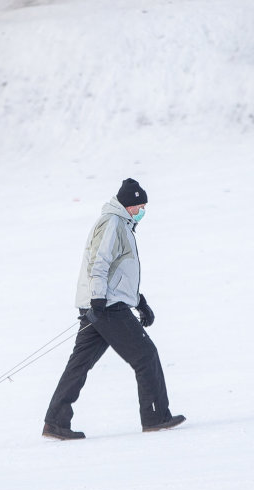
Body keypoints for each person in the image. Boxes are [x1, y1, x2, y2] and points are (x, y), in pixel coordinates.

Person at [43, 178, 185, 440]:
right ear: (128, 204)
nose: (143, 210)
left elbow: (120, 273)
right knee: (146, 356)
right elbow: (99, 262)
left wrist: (139, 301)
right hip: (107, 306)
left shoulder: (122, 224)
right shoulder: (113, 223)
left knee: (79, 364)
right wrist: (98, 300)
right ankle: (156, 417)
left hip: (104, 304)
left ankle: (55, 422)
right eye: (140, 205)